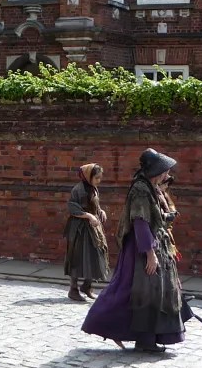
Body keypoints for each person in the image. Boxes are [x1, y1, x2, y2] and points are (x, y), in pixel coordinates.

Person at [82, 148, 190, 353]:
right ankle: (139, 338)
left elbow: (153, 217)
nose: (167, 175)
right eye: (165, 171)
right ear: (156, 171)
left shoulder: (151, 187)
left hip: (154, 244)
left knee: (151, 292)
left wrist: (167, 219)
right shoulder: (141, 189)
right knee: (136, 291)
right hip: (141, 249)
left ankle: (148, 338)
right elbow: (140, 222)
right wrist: (149, 254)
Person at [64, 163, 110, 302]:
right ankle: (73, 289)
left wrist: (100, 211)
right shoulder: (78, 189)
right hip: (79, 230)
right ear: (88, 176)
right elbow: (72, 207)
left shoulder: (93, 189)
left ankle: (87, 286)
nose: (98, 181)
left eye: (100, 178)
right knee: (78, 258)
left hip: (93, 229)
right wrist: (88, 216)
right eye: (96, 178)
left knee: (96, 255)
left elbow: (95, 205)